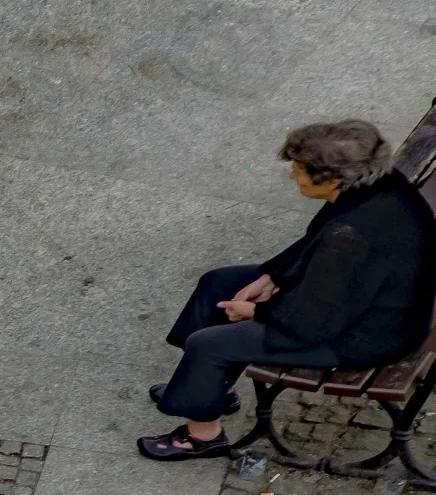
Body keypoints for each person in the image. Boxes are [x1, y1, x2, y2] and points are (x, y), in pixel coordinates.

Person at [138, 119, 436, 461]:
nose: (292, 176)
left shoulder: (350, 236)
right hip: (356, 301)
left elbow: (313, 320)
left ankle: (203, 435)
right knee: (218, 282)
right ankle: (209, 389)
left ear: (334, 180)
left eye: (299, 170)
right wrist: (272, 277)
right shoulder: (376, 183)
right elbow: (315, 246)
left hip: (364, 336)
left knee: (209, 344)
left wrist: (256, 311)